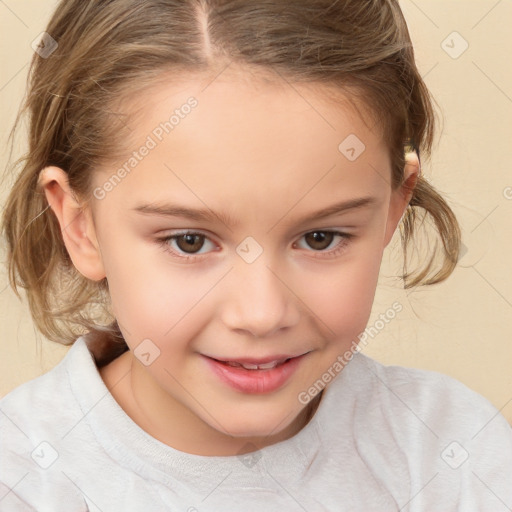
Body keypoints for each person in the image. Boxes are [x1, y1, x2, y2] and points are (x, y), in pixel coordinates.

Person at [1, 0, 511, 510]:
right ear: (80, 225)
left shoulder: (453, 453)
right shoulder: (22, 478)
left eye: (320, 238)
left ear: (390, 212)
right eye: (190, 241)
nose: (262, 314)